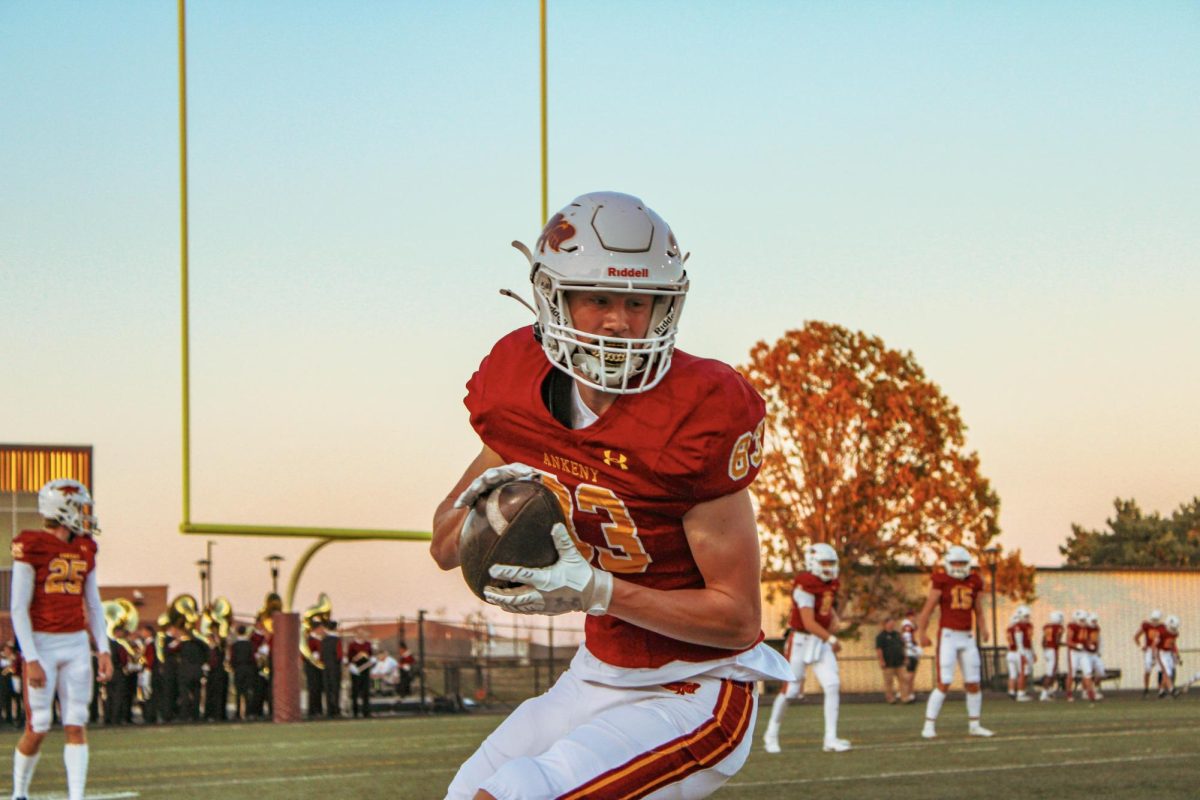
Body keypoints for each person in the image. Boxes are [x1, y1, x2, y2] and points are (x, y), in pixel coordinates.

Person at [430, 192, 791, 800]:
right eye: (599, 298)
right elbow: (443, 547)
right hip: (596, 676)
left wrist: (599, 591)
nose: (620, 321)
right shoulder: (517, 386)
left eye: (637, 301)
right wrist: (481, 514)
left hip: (697, 687)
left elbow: (737, 620)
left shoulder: (699, 410)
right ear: (555, 297)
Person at [9, 478, 113, 800]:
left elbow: (93, 603)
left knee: (75, 723)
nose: (85, 515)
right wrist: (31, 658)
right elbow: (17, 608)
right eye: (79, 508)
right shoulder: (31, 545)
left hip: (76, 644)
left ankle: (76, 797)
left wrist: (104, 648)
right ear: (62, 509)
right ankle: (19, 793)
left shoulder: (85, 547)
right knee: (38, 726)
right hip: (42, 642)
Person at [763, 543, 850, 753]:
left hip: (818, 642)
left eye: (831, 563)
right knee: (791, 691)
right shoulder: (805, 585)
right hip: (801, 641)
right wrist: (831, 639)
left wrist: (835, 618)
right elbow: (808, 621)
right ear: (812, 563)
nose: (828, 567)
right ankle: (771, 733)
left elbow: (825, 609)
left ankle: (830, 738)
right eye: (824, 563)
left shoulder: (829, 584)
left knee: (832, 685)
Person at [915, 545, 993, 739]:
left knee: (973, 683)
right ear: (948, 564)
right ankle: (928, 725)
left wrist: (983, 628)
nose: (958, 566)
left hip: (967, 637)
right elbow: (928, 609)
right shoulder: (941, 580)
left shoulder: (974, 581)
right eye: (955, 563)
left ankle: (975, 725)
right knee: (944, 682)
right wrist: (921, 632)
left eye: (962, 563)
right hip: (948, 635)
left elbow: (979, 610)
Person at [1004, 605, 1035, 702]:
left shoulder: (1010, 628)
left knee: (1013, 675)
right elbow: (1019, 642)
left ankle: (1012, 691)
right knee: (1023, 673)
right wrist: (1024, 655)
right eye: (1025, 616)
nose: (1027, 618)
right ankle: (1020, 693)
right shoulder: (1020, 627)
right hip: (1020, 651)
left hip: (1011, 652)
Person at [1064, 609, 1095, 702]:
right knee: (1072, 673)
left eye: (1085, 620)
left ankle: (1090, 693)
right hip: (1073, 652)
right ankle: (1069, 694)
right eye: (1082, 620)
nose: (1084, 622)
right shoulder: (1072, 627)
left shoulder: (1086, 627)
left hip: (1083, 652)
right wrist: (1075, 645)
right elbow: (1068, 641)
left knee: (1087, 672)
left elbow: (1086, 639)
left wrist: (1089, 644)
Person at [1135, 609, 1165, 698]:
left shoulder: (1163, 627)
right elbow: (1136, 637)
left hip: (1158, 650)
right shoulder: (1146, 626)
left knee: (1160, 670)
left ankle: (1160, 690)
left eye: (1156, 620)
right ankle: (1146, 689)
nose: (1154, 622)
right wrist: (1141, 647)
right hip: (1148, 650)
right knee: (1148, 669)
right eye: (1153, 620)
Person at [875, 617, 906, 704]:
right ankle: (890, 698)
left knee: (904, 679)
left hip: (900, 662)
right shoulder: (881, 636)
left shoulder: (897, 634)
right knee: (889, 682)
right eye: (890, 623)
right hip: (888, 663)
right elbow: (879, 649)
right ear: (885, 624)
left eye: (893, 623)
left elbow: (903, 646)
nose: (892, 625)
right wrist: (881, 661)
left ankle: (904, 697)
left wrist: (905, 657)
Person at [230, 625, 257, 720]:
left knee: (239, 692)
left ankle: (238, 713)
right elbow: (253, 658)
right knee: (248, 692)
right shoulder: (250, 644)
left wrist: (234, 668)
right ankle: (248, 712)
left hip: (238, 670)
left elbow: (232, 659)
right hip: (248, 669)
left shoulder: (235, 645)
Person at [346, 629, 375, 718]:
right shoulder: (352, 645)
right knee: (355, 691)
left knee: (365, 691)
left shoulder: (368, 644)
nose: (361, 635)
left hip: (365, 668)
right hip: (355, 669)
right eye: (359, 634)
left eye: (362, 634)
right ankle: (355, 712)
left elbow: (370, 655)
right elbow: (349, 657)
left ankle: (366, 711)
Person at [1038, 610, 1064, 701]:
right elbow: (1057, 641)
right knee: (1050, 673)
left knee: (1053, 672)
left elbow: (1043, 641)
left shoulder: (1046, 627)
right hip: (1053, 651)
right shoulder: (1059, 627)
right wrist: (1067, 644)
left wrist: (1045, 651)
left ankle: (1049, 691)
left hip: (1047, 650)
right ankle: (1044, 694)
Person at [320, 620, 343, 718]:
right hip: (335, 667)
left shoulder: (323, 640)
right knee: (336, 688)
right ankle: (336, 709)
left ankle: (329, 710)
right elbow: (339, 655)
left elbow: (321, 656)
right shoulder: (337, 640)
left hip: (326, 667)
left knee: (327, 688)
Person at [1157, 615, 1181, 698]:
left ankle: (1161, 691)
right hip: (1161, 652)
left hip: (1168, 654)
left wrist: (1176, 656)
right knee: (1167, 672)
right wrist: (1155, 656)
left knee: (1168, 673)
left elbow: (1173, 644)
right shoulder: (1162, 633)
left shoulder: (1175, 634)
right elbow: (1155, 644)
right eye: (1172, 628)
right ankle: (1172, 690)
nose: (1174, 630)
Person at [899, 613, 920, 703]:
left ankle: (909, 694)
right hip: (910, 654)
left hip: (913, 654)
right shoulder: (906, 629)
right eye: (912, 616)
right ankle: (904, 693)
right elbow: (907, 643)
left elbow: (916, 628)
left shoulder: (911, 629)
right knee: (909, 676)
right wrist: (907, 655)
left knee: (912, 675)